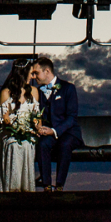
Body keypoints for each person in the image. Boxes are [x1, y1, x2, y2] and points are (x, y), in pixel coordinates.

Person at [0, 58, 41, 192]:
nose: (32, 76)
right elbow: (5, 119)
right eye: (30, 72)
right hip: (9, 132)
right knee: (14, 144)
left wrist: (34, 127)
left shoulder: (34, 91)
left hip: (28, 132)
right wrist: (17, 128)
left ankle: (25, 187)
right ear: (23, 73)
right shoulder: (6, 93)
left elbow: (37, 116)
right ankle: (12, 187)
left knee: (26, 144)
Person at [33, 56, 83, 191]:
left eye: (36, 73)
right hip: (48, 133)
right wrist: (39, 127)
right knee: (43, 144)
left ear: (47, 71)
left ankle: (60, 185)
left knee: (65, 144)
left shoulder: (68, 88)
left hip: (69, 132)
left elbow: (72, 117)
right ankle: (47, 185)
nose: (34, 76)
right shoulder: (38, 92)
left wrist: (54, 131)